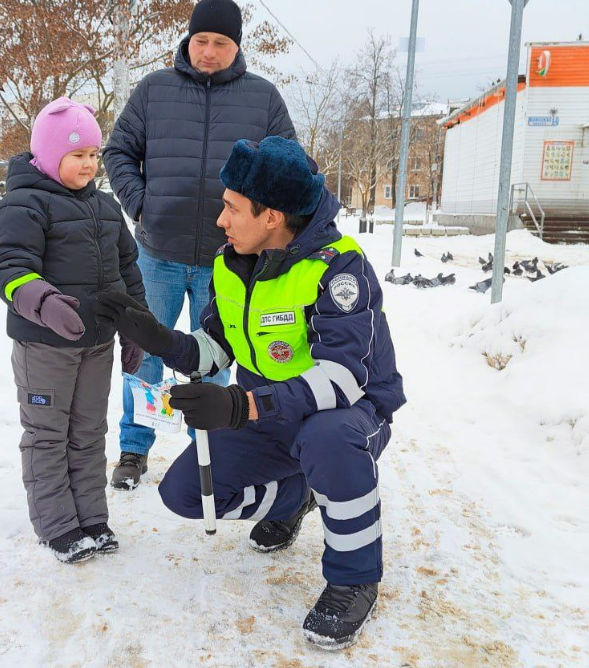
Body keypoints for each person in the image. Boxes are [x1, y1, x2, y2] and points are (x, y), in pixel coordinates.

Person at [95, 136, 405, 649]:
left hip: (350, 414)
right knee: (187, 494)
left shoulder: (340, 268)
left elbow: (344, 377)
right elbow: (216, 347)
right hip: (272, 413)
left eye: (232, 208)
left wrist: (241, 405)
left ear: (272, 217)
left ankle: (353, 580)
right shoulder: (232, 263)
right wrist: (159, 337)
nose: (221, 220)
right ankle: (296, 496)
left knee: (328, 440)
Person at [104, 0, 296, 489]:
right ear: (189, 39)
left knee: (215, 357)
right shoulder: (153, 90)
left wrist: (267, 229)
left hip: (228, 261)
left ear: (237, 46)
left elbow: (289, 167)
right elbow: (118, 149)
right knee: (144, 354)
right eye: (201, 40)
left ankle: (206, 452)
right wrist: (141, 203)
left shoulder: (264, 98)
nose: (209, 52)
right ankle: (133, 448)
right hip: (158, 254)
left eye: (221, 43)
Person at [0, 97, 147, 563]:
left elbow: (127, 269)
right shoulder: (23, 205)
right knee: (47, 434)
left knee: (89, 431)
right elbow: (10, 267)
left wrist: (135, 326)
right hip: (45, 347)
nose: (89, 164)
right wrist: (43, 301)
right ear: (48, 153)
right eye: (78, 155)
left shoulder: (104, 206)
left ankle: (92, 518)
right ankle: (58, 524)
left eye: (94, 155)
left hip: (95, 344)